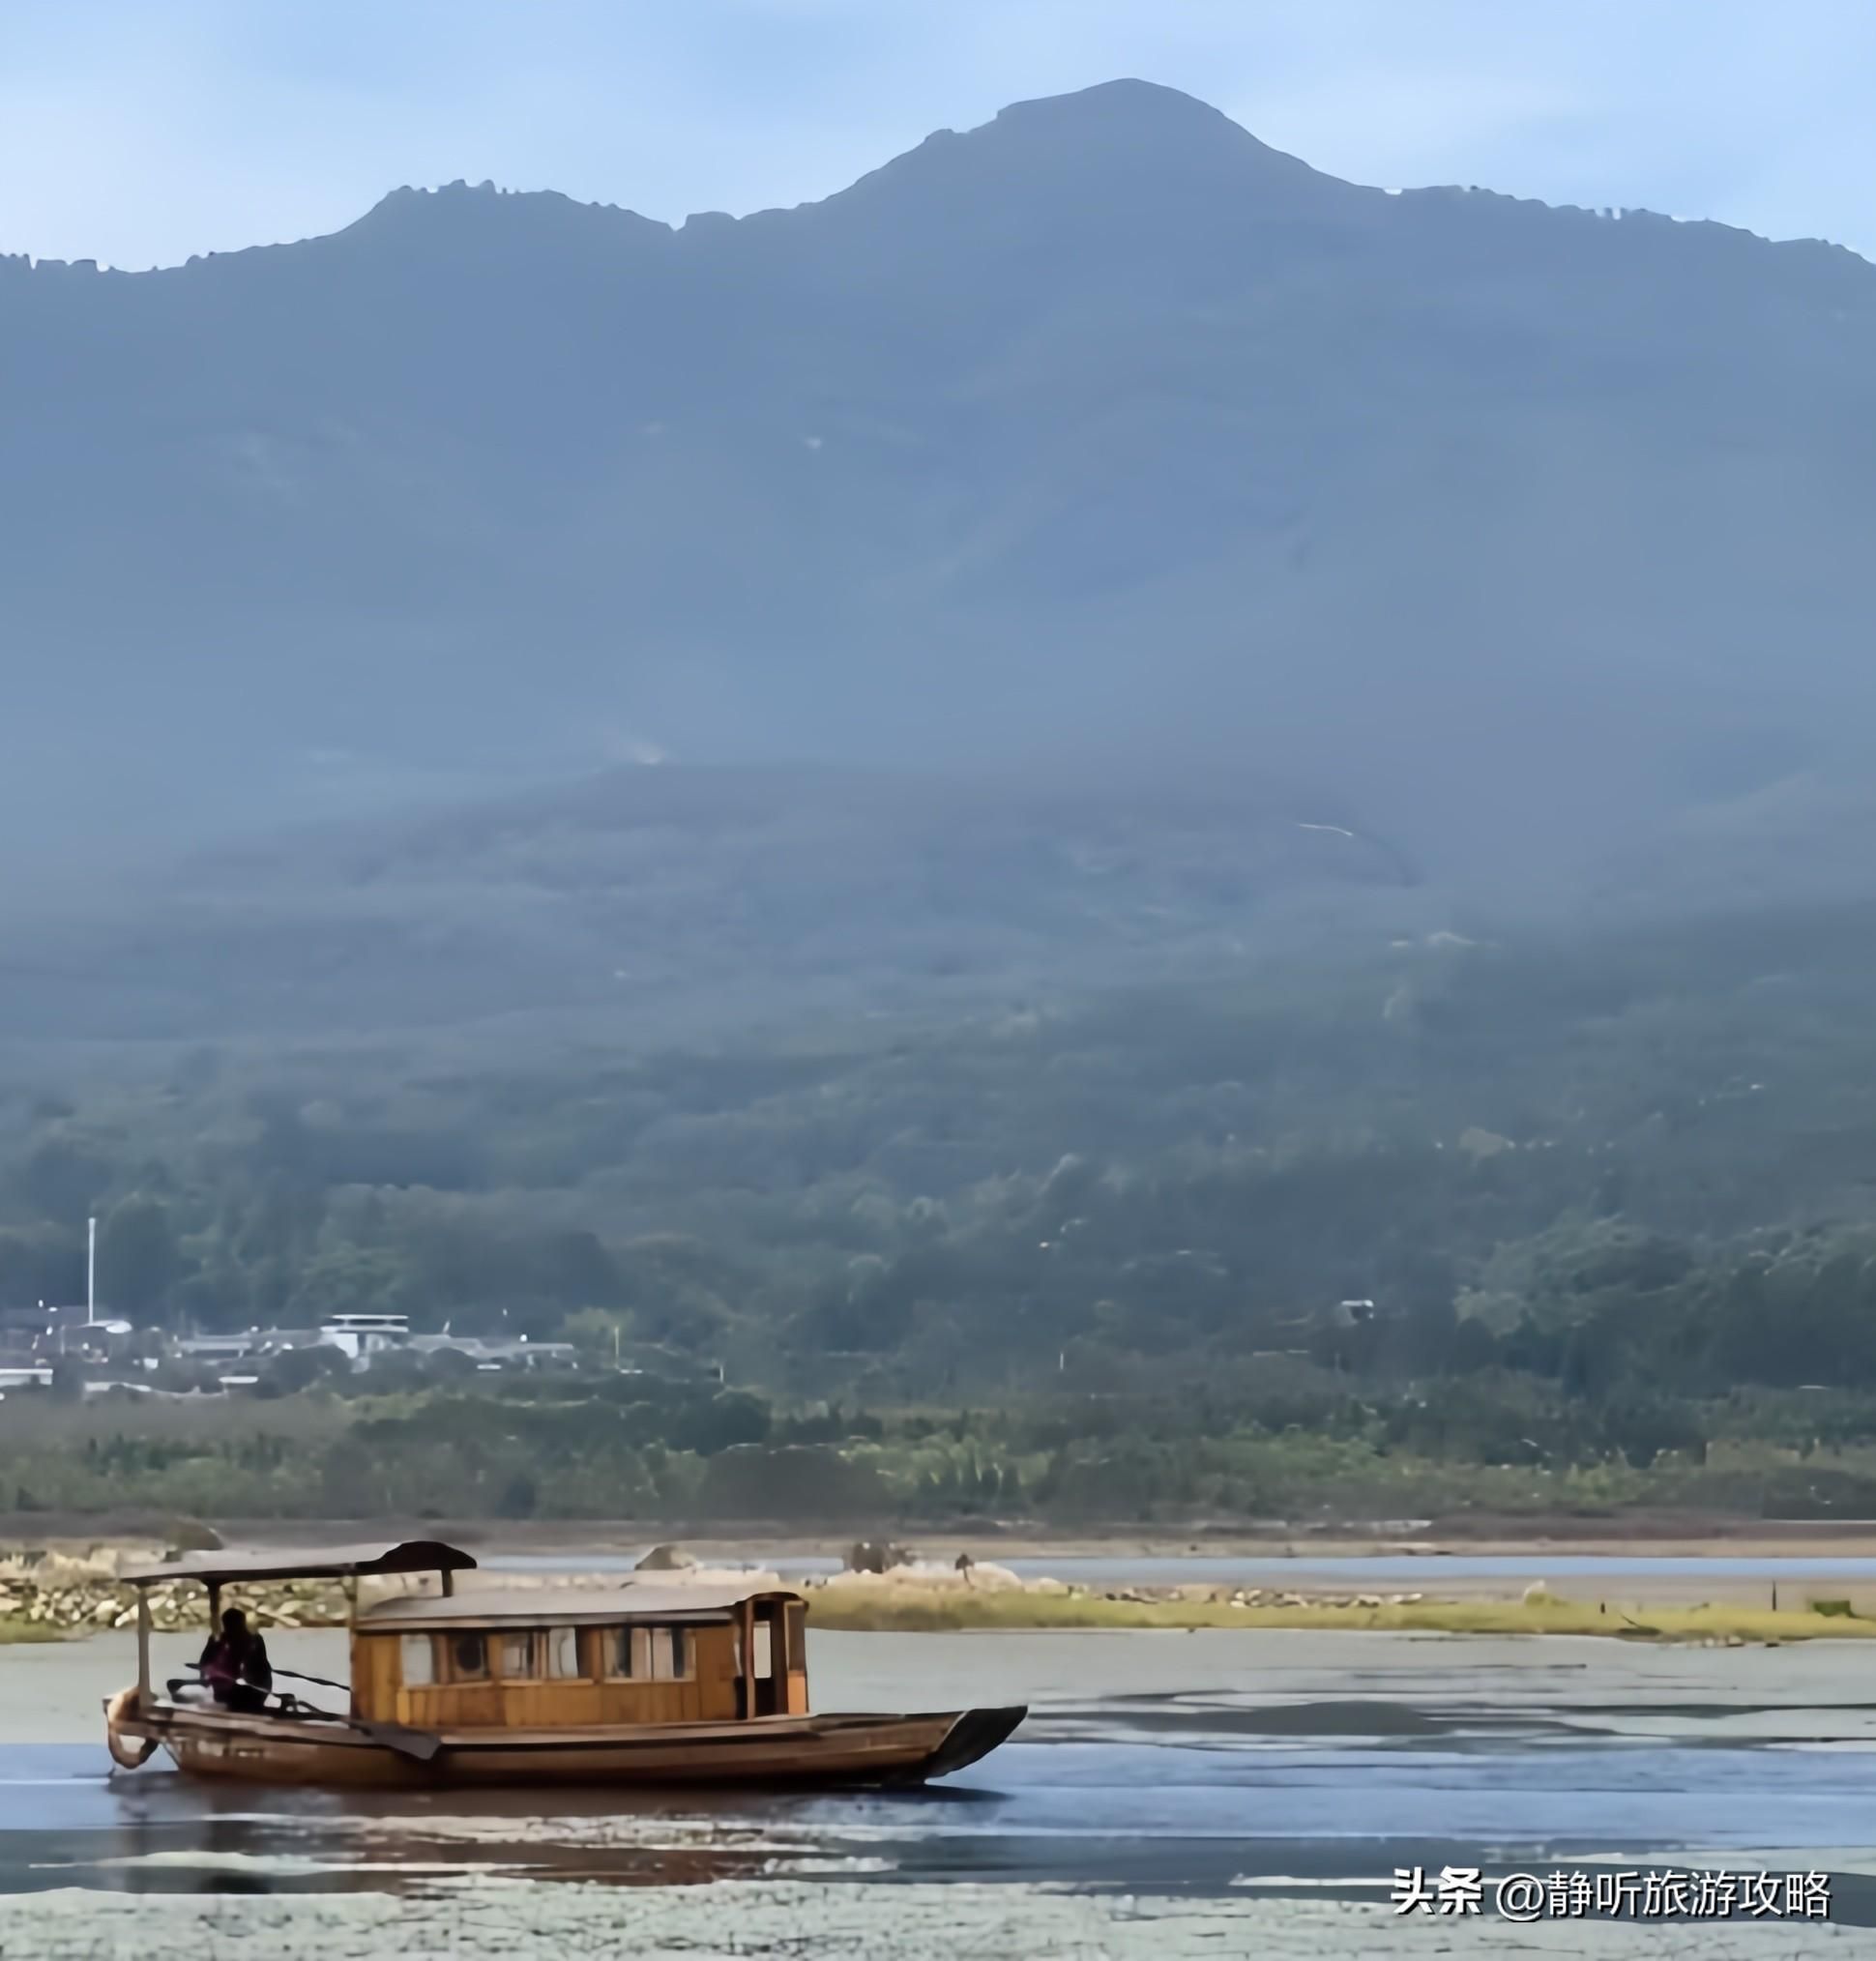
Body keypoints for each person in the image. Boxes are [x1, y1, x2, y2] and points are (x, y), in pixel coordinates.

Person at [197, 1606, 274, 1712]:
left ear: (242, 1623)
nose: (230, 1628)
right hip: (233, 1689)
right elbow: (204, 1662)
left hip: (255, 1690)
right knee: (222, 1695)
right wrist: (204, 1677)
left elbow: (256, 1667)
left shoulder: (255, 1640)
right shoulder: (219, 1640)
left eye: (233, 1625)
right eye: (228, 1625)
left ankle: (245, 1701)